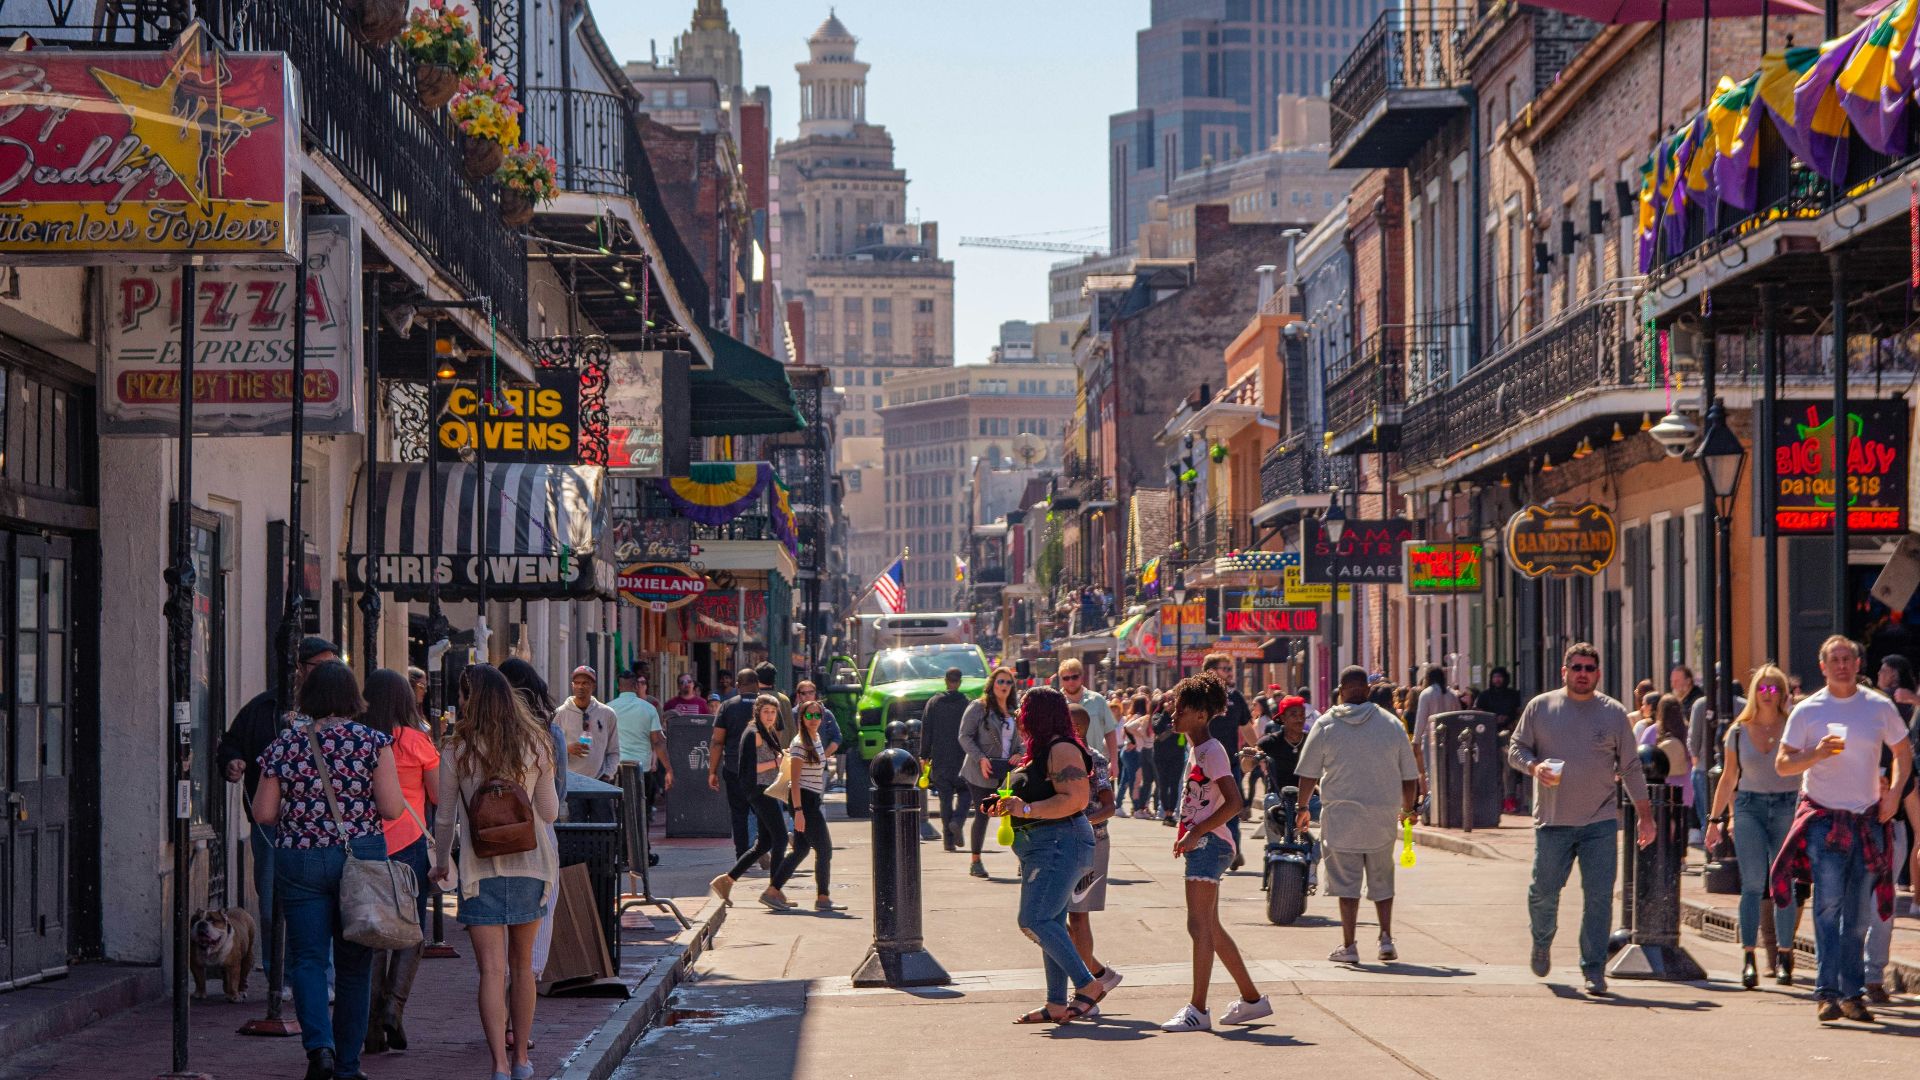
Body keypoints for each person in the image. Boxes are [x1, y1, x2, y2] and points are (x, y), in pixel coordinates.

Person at [250, 661, 404, 1080]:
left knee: (308, 960)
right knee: (355, 964)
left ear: (308, 698)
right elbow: (391, 807)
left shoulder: (286, 744)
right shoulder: (373, 742)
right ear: (352, 698)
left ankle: (319, 1050)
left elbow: (263, 812)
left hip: (299, 857)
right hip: (360, 857)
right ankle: (349, 1065)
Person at [1772, 635, 1913, 1023]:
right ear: (1823, 667)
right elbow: (1783, 765)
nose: (1842, 665)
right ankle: (1827, 992)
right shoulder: (1809, 710)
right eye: (1834, 659)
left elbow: (1903, 752)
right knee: (1828, 906)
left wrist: (1895, 794)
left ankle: (1853, 993)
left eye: (1848, 658)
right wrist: (1816, 753)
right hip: (1823, 819)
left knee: (1858, 916)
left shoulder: (1878, 707)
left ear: (1857, 664)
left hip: (1867, 819)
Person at [430, 663, 560, 1080]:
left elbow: (445, 817)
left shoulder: (457, 749)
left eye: (463, 695)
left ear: (471, 699)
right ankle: (521, 1058)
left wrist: (439, 862)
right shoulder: (536, 742)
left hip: (477, 869)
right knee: (522, 968)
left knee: (491, 970)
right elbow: (549, 811)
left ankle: (499, 1066)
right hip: (532, 866)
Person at [1507, 642, 1655, 996]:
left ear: (1598, 673)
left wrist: (1645, 816)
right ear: (1565, 672)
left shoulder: (1614, 713)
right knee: (1543, 892)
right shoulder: (1541, 708)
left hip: (1600, 822)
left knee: (1599, 897)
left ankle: (1593, 969)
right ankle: (1542, 941)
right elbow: (1516, 749)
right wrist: (1534, 766)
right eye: (1577, 668)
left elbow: (1631, 767)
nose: (1583, 674)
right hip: (1553, 822)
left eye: (1589, 668)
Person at [978, 687, 1110, 1024]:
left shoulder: (1062, 748)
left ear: (1039, 712)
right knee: (1050, 922)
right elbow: (1039, 794)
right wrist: (1005, 802)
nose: (1019, 713)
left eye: (1024, 707)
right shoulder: (1040, 751)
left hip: (1059, 844)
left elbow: (1076, 798)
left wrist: (1025, 806)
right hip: (1044, 847)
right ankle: (1055, 1004)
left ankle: (1089, 984)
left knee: (1033, 920)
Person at [1159, 675, 1269, 1031]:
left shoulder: (1212, 751)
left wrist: (1196, 832)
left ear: (1202, 715)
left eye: (1182, 709)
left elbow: (1235, 802)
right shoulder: (1198, 749)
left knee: (1198, 925)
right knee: (1211, 927)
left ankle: (1198, 1009)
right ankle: (1252, 1001)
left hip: (1210, 844)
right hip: (1204, 843)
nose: (1173, 714)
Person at [217, 635, 341, 947]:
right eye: (321, 666)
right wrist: (232, 761)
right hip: (271, 821)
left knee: (320, 902)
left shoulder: (338, 711)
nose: (329, 673)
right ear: (300, 668)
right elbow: (232, 741)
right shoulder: (263, 707)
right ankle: (278, 971)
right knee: (272, 898)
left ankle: (311, 967)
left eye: (334, 666)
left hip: (321, 822)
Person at [1295, 666, 1421, 965]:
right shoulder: (1391, 724)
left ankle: (1349, 945)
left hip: (1341, 818)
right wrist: (1408, 809)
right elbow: (1409, 775)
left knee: (1347, 886)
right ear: (1367, 690)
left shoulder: (1326, 725)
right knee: (1382, 880)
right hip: (1382, 817)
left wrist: (1301, 808)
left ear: (1340, 690)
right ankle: (1386, 938)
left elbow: (1308, 774)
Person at [1704, 664, 1804, 989]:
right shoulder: (1737, 730)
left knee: (1783, 884)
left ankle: (1785, 955)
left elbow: (1805, 770)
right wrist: (1715, 819)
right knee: (1751, 884)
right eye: (1761, 688)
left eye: (1773, 688)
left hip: (1787, 806)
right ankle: (1749, 958)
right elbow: (1729, 777)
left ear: (1782, 694)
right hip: (1749, 807)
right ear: (1753, 693)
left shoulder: (1793, 727)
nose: (1767, 694)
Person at [360, 668, 439, 1056]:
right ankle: (394, 1007)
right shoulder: (415, 740)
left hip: (368, 844)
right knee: (410, 929)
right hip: (410, 843)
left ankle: (372, 1025)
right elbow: (439, 793)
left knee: (372, 932)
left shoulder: (359, 739)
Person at [709, 694, 793, 909]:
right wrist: (776, 761)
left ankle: (726, 881)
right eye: (766, 712)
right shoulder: (754, 733)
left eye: (773, 712)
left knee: (764, 843)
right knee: (781, 838)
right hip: (759, 790)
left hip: (766, 790)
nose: (770, 716)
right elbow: (750, 768)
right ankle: (773, 891)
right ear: (757, 711)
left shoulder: (765, 731)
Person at [1065, 702, 1120, 992]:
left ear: (1075, 728)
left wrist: (1082, 822)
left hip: (1091, 844)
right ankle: (1097, 974)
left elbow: (1110, 806)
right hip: (1064, 844)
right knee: (1051, 916)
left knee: (1078, 915)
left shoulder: (1094, 759)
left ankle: (1086, 987)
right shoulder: (1060, 757)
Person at [770, 701, 844, 912]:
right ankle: (823, 898)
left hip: (812, 800)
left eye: (817, 716)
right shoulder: (800, 743)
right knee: (825, 849)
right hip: (804, 802)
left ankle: (772, 892)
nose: (813, 720)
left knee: (801, 849)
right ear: (801, 718)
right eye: (809, 716)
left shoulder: (817, 738)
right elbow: (794, 781)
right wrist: (799, 812)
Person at [959, 666, 1023, 878]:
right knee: (983, 814)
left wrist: (1020, 753)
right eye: (1000, 681)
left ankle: (1024, 860)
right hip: (982, 770)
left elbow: (1026, 738)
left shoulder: (1016, 710)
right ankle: (975, 861)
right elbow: (964, 736)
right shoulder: (979, 707)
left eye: (1008, 682)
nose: (1004, 686)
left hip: (1008, 770)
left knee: (1017, 814)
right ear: (992, 684)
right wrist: (981, 758)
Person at [609, 668, 668, 880]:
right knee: (641, 814)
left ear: (618, 686)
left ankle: (624, 854)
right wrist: (668, 769)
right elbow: (658, 741)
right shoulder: (648, 709)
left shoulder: (609, 709)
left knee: (620, 814)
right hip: (641, 771)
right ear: (635, 686)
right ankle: (640, 854)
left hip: (616, 769)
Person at [706, 668, 763, 859]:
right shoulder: (768, 706)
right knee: (764, 811)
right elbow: (777, 738)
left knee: (739, 814)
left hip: (734, 768)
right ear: (757, 685)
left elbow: (717, 741)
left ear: (737, 685)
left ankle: (742, 855)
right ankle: (763, 845)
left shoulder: (727, 706)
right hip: (762, 769)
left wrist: (712, 771)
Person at [1202, 653, 1252, 867]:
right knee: (1205, 809)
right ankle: (1206, 850)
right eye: (1225, 668)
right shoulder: (1199, 696)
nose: (1230, 673)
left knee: (1232, 807)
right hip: (1203, 764)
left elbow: (1247, 727)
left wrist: (1259, 749)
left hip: (1230, 763)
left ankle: (1233, 850)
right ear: (1211, 671)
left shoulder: (1236, 697)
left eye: (1230, 669)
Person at [922, 667, 973, 850]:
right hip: (962, 760)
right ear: (959, 682)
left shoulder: (934, 702)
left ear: (945, 680)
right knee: (966, 793)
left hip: (940, 760)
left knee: (945, 799)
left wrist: (924, 756)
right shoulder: (966, 703)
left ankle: (948, 842)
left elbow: (926, 731)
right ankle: (958, 821)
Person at [554, 665, 619, 781]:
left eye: (585, 683)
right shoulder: (560, 714)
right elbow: (549, 749)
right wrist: (566, 749)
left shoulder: (607, 714)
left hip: (599, 782)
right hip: (570, 783)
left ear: (593, 686)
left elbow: (613, 751)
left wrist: (608, 774)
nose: (580, 687)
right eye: (577, 683)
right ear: (572, 685)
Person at [1247, 696, 1311, 806]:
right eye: (1294, 715)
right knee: (1271, 803)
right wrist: (1249, 756)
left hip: (1308, 798)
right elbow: (1247, 766)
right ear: (1283, 718)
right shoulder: (1271, 741)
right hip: (1278, 797)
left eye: (1302, 714)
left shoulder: (1312, 740)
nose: (1299, 719)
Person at [1058, 657, 1120, 764]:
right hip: (1066, 765)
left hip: (1095, 763)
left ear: (1082, 677)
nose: (1071, 681)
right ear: (1061, 680)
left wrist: (1114, 762)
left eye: (1074, 677)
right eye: (1066, 678)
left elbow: (1110, 732)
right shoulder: (1056, 702)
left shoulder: (1098, 700)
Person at [1410, 664, 1461, 793]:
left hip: (1431, 738)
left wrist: (1416, 741)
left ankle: (1434, 803)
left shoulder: (1426, 694)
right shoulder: (1452, 695)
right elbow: (1459, 716)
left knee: (1432, 773)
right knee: (1449, 771)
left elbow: (1421, 719)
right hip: (1451, 738)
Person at [1477, 667, 1522, 813]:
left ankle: (1510, 799)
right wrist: (1492, 719)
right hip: (1490, 735)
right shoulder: (1485, 695)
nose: (1497, 680)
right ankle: (1496, 800)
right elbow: (1478, 712)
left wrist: (1508, 720)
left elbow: (1519, 713)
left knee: (1509, 769)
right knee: (1493, 769)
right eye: (1494, 677)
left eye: (1500, 677)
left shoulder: (1513, 695)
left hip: (1509, 734)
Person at [1640, 694, 1694, 810]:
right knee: (1684, 822)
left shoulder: (1651, 731)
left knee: (1664, 823)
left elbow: (1642, 757)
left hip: (1660, 790)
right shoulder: (1688, 730)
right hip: (1686, 787)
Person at [794, 680, 843, 789]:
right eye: (804, 693)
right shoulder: (793, 714)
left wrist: (822, 756)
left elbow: (837, 738)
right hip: (796, 766)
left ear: (815, 694)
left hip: (819, 769)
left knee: (817, 803)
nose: (808, 696)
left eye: (811, 692)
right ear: (798, 695)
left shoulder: (826, 714)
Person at [1151, 691, 1186, 825]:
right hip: (1161, 755)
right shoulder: (1157, 715)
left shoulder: (1180, 716)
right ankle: (1166, 813)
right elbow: (1157, 728)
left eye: (1173, 700)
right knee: (1163, 784)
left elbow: (1184, 730)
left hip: (1177, 754)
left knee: (1175, 783)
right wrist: (1166, 713)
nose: (1171, 703)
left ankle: (1172, 812)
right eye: (1169, 700)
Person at [1122, 695, 1156, 817]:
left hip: (1137, 750)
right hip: (1138, 751)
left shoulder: (1138, 717)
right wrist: (1137, 739)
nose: (1149, 704)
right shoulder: (1140, 717)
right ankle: (1137, 808)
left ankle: (1140, 807)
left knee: (1132, 780)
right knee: (1136, 781)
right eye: (1147, 702)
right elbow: (1127, 728)